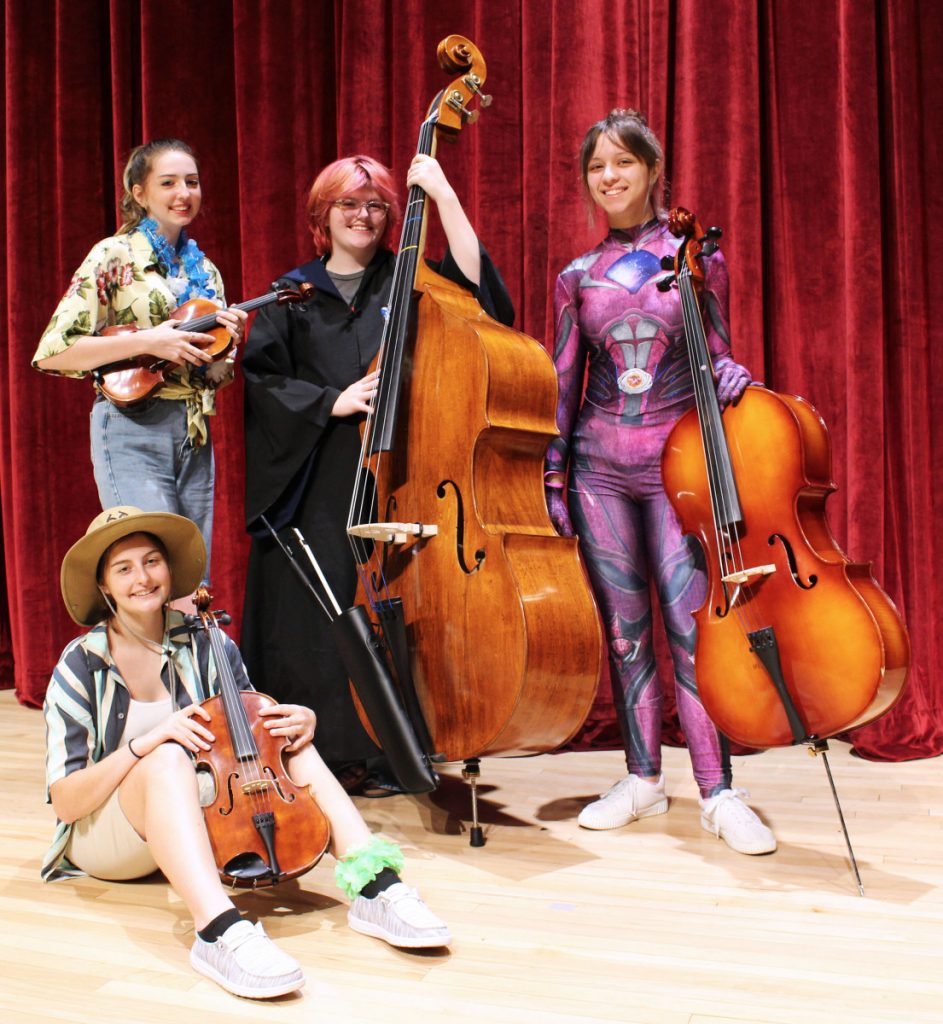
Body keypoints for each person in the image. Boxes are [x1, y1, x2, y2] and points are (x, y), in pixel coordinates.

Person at [42, 506, 451, 1000]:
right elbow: (66, 802)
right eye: (124, 569)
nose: (143, 578)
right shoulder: (80, 664)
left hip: (193, 818)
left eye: (152, 561)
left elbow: (253, 744)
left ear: (170, 569)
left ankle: (377, 886)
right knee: (168, 755)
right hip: (109, 837)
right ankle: (218, 931)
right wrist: (145, 744)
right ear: (105, 587)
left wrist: (300, 722)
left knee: (286, 739)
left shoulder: (206, 641)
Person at [240, 154, 514, 783]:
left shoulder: (410, 277)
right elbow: (261, 380)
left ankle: (396, 750)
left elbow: (485, 303)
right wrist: (329, 401)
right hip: (322, 474)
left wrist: (444, 196)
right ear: (323, 214)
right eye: (348, 205)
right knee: (324, 608)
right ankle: (324, 754)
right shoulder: (292, 293)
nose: (361, 217)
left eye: (374, 206)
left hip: (404, 477)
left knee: (404, 614)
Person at [546, 109, 776, 855]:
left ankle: (718, 791)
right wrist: (554, 477)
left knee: (690, 628)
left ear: (651, 171)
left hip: (677, 466)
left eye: (622, 163)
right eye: (595, 167)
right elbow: (562, 381)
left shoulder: (693, 258)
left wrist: (733, 372)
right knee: (624, 633)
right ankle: (642, 779)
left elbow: (715, 358)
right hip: (598, 472)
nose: (608, 178)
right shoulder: (574, 277)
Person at [32, 139, 247, 572]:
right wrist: (149, 341)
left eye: (192, 182)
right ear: (138, 193)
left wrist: (229, 347)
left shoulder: (205, 272)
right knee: (151, 561)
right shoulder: (114, 256)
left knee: (191, 569)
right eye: (167, 183)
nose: (183, 193)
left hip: (193, 432)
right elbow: (55, 351)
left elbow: (215, 375)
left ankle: (191, 642)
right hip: (132, 427)